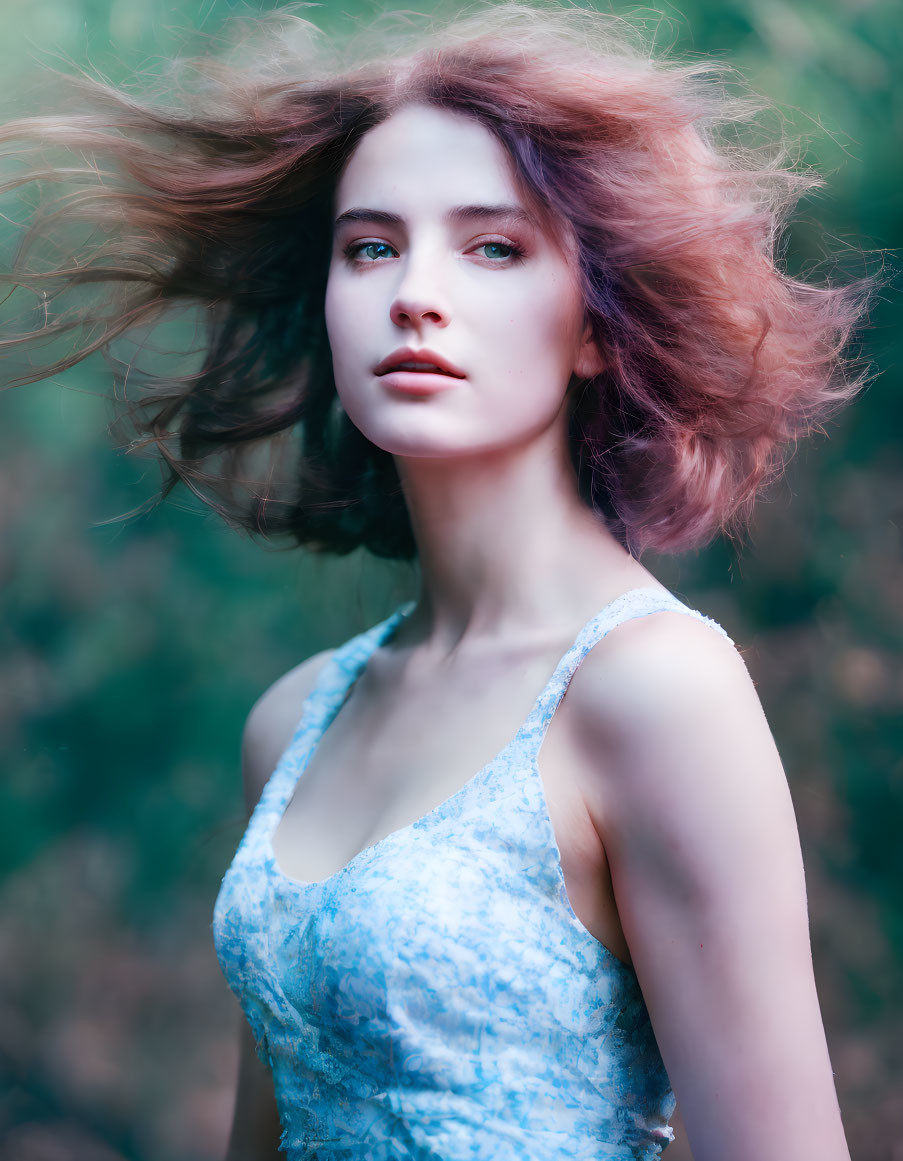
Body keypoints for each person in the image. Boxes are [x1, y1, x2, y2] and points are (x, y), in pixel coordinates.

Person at [0, 3, 881, 1158]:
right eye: (372, 245)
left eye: (492, 247)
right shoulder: (297, 719)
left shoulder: (657, 693)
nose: (415, 291)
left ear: (596, 329)